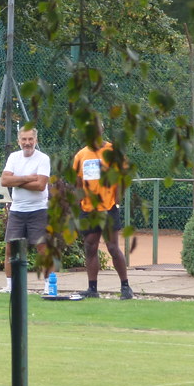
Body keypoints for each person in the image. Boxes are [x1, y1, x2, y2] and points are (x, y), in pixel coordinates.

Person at [70, 119, 134, 300]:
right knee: (90, 247)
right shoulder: (81, 155)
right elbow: (77, 182)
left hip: (108, 207)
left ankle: (125, 287)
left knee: (113, 247)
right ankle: (92, 289)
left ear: (102, 129)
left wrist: (117, 200)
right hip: (88, 209)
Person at [0, 126, 51, 294]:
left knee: (42, 249)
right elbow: (4, 181)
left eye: (30, 139)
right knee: (11, 249)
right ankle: (10, 287)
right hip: (17, 210)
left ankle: (49, 287)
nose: (27, 143)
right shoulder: (13, 157)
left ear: (36, 140)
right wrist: (27, 178)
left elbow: (40, 185)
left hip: (39, 209)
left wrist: (16, 181)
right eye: (24, 139)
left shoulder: (43, 159)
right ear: (18, 141)